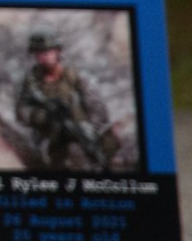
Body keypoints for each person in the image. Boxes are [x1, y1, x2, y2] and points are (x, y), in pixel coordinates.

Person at [15, 31, 122, 171]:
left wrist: (90, 127)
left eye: (49, 51)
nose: (46, 55)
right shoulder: (31, 81)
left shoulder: (73, 75)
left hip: (80, 129)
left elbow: (97, 106)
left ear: (57, 52)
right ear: (35, 55)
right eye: (41, 52)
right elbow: (21, 112)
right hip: (51, 136)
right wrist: (43, 116)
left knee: (102, 148)